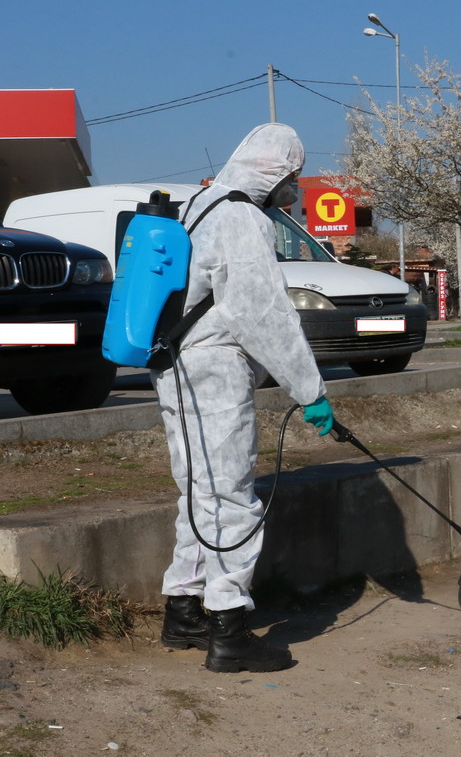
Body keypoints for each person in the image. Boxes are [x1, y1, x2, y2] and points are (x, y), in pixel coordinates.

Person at [153, 124, 334, 673]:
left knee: (198, 490)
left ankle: (183, 610)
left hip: (172, 366)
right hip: (214, 369)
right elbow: (262, 315)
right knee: (230, 496)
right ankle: (229, 630)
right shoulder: (242, 218)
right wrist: (311, 391)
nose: (296, 188)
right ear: (276, 172)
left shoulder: (198, 205)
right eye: (294, 176)